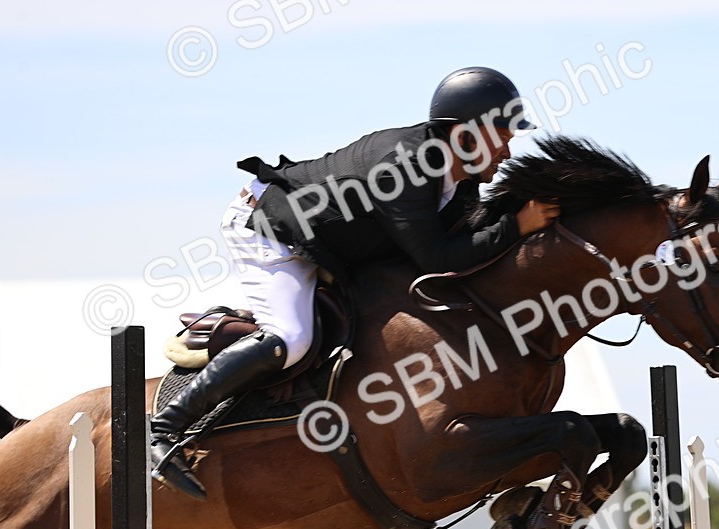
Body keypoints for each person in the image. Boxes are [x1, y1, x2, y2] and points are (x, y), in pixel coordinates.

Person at [151, 66, 561, 500]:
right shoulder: (404, 166)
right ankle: (164, 429)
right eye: (503, 138)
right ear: (464, 136)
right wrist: (518, 226)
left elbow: (461, 252)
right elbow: (438, 258)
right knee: (292, 339)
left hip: (328, 244)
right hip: (270, 232)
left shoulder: (458, 182)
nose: (508, 153)